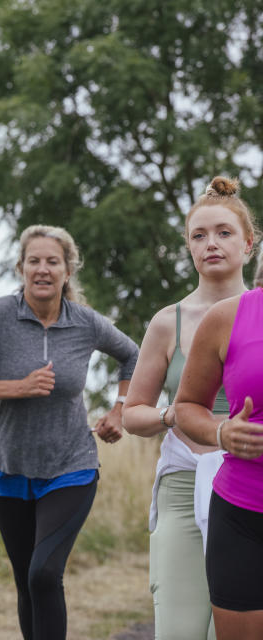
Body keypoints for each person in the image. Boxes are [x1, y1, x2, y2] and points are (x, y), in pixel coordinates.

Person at [0, 224, 138, 640]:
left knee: (44, 573)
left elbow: (132, 356)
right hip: (8, 468)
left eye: (53, 261)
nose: (43, 269)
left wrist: (119, 410)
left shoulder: (85, 323)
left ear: (68, 270)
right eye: (34, 261)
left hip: (71, 467)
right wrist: (17, 387)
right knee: (25, 581)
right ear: (21, 267)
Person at [123, 177, 257, 639]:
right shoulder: (168, 322)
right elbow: (133, 412)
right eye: (198, 236)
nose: (211, 244)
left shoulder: (257, 314)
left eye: (223, 232)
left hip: (251, 485)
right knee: (179, 630)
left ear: (249, 242)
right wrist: (173, 415)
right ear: (187, 248)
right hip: (184, 484)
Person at [174, 178, 263, 640]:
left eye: (224, 233)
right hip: (242, 512)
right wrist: (222, 432)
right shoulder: (228, 318)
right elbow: (187, 406)